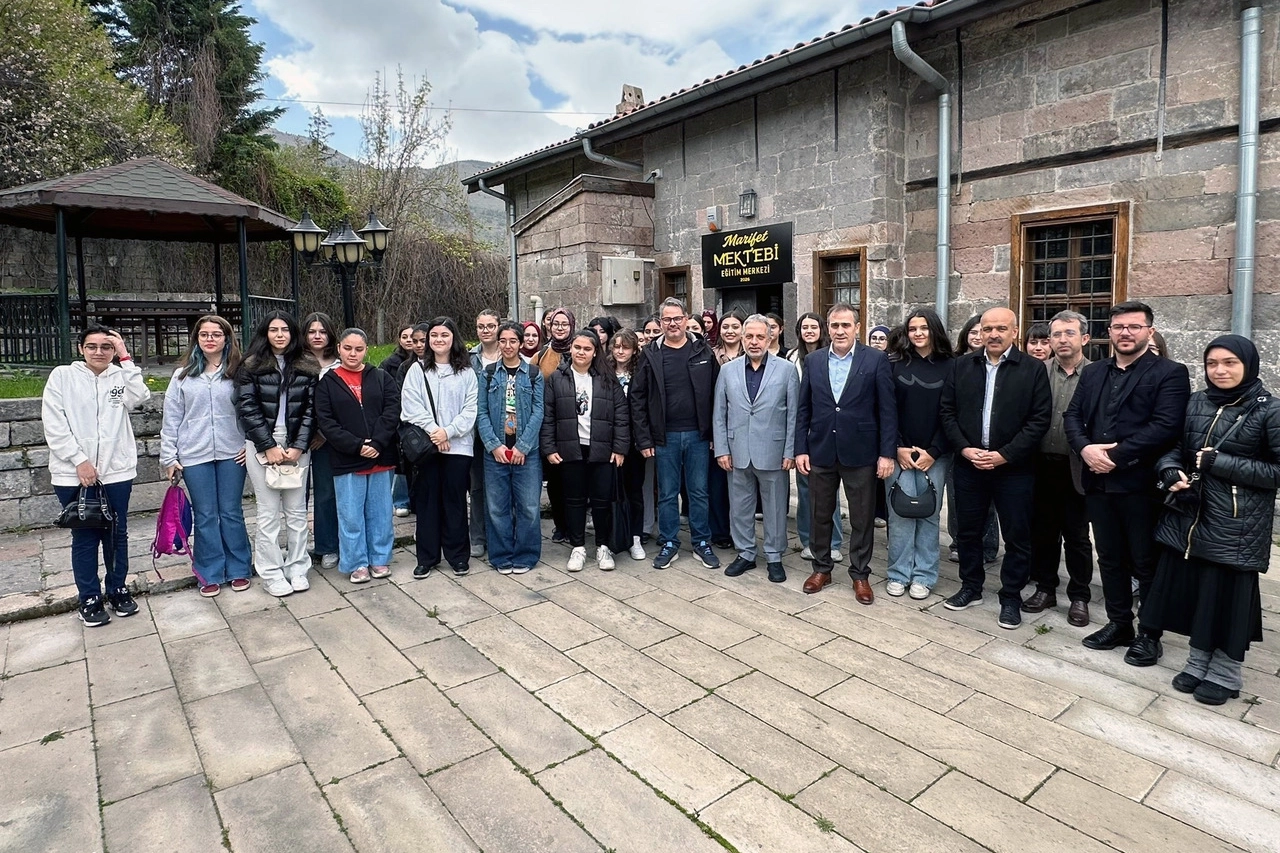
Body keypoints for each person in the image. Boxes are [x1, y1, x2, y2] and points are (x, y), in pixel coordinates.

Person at [1143, 336, 1278, 705]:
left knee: (1228, 597)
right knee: (1201, 593)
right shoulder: (1197, 401)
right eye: (1212, 363)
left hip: (1236, 522)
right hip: (1192, 515)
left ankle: (1226, 671)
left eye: (1230, 363)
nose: (1220, 370)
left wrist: (1221, 463)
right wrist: (1170, 470)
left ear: (1248, 365)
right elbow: (1175, 446)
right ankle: (1197, 660)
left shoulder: (1270, 410)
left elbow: (1276, 471)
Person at [1064, 301, 1190, 661]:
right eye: (1119, 326)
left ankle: (1149, 633)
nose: (1125, 333)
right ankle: (1119, 623)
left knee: (1145, 561)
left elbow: (1165, 426)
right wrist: (1086, 449)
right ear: (1109, 332)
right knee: (1109, 557)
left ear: (1149, 331)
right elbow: (1072, 415)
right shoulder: (1094, 372)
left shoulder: (1170, 372)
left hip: (1140, 485)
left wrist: (1114, 457)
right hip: (1097, 483)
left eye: (1134, 326)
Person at [939, 306, 1051, 629]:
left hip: (1013, 468)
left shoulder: (1032, 369)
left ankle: (1011, 597)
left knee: (1016, 535)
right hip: (970, 464)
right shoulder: (962, 366)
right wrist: (964, 448)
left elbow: (1038, 420)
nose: (993, 334)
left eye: (1001, 328)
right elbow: (947, 412)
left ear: (1014, 332)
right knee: (968, 531)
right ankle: (971, 586)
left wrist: (1004, 455)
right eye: (987, 329)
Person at [43, 324, 149, 626]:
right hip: (73, 473)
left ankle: (117, 589)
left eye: (107, 347)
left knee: (116, 534)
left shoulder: (119, 376)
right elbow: (54, 423)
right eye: (92, 346)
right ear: (81, 348)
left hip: (116, 471)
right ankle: (89, 598)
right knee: (85, 535)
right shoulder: (62, 377)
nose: (99, 352)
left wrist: (125, 358)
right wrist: (79, 460)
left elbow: (140, 397)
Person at [795, 303, 895, 602]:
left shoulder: (875, 359)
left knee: (862, 517)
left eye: (845, 325)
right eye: (835, 325)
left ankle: (860, 574)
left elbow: (887, 410)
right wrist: (801, 449)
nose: (839, 331)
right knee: (819, 513)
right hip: (821, 450)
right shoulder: (814, 361)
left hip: (861, 452)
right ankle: (821, 568)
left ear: (857, 328)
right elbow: (803, 409)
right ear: (828, 328)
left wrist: (886, 453)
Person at [159, 315, 251, 598]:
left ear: (227, 338)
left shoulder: (239, 372)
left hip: (232, 453)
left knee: (231, 512)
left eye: (216, 334)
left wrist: (250, 443)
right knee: (206, 514)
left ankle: (239, 568)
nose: (210, 339)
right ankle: (209, 571)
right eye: (204, 334)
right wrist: (169, 457)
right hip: (194, 454)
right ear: (196, 339)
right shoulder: (183, 375)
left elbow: (253, 410)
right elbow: (171, 418)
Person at [631, 297, 721, 570]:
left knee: (699, 492)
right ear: (660, 323)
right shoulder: (650, 354)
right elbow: (637, 397)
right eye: (667, 319)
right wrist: (644, 438)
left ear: (686, 319)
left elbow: (718, 394)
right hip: (664, 437)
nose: (672, 323)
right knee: (668, 493)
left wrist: (716, 434)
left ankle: (701, 541)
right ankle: (669, 542)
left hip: (698, 435)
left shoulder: (703, 351)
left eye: (677, 318)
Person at [235, 311, 320, 597]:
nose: (280, 335)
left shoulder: (307, 365)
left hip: (297, 444)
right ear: (265, 333)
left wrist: (299, 446)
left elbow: (311, 409)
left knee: (297, 512)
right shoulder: (251, 365)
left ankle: (297, 567)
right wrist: (267, 445)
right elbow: (247, 407)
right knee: (268, 512)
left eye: (285, 329)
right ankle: (271, 572)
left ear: (293, 333)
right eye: (274, 330)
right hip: (262, 444)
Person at [1022, 311, 1095, 626]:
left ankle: (1079, 596)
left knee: (1077, 535)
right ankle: (1045, 588)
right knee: (1043, 531)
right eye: (1057, 334)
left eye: (1069, 333)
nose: (1062, 340)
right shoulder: (1037, 372)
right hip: (1040, 463)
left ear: (1085, 338)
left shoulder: (1097, 374)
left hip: (1077, 466)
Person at [714, 314, 798, 583]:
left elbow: (793, 415)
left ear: (770, 338)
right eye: (749, 336)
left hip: (773, 451)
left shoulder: (786, 370)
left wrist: (790, 451)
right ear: (742, 338)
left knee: (775, 508)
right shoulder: (727, 371)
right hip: (737, 451)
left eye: (760, 336)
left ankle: (774, 556)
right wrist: (722, 449)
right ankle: (746, 553)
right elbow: (719, 413)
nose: (754, 341)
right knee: (740, 507)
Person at [314, 328, 400, 583]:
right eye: (348, 348)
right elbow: (326, 422)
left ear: (366, 350)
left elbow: (392, 410)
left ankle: (380, 558)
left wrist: (377, 442)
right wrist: (356, 445)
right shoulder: (328, 383)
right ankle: (356, 562)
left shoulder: (381, 377)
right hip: (347, 458)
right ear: (339, 348)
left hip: (380, 456)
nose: (353, 353)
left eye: (359, 349)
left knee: (381, 513)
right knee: (350, 515)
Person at [543, 331, 629, 571]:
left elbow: (621, 415)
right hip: (570, 448)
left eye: (587, 349)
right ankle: (578, 546)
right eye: (577, 347)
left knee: (602, 500)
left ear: (595, 352)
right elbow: (548, 415)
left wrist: (620, 447)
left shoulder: (607, 378)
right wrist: (549, 448)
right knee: (574, 500)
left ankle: (603, 546)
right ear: (571, 349)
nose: (581, 352)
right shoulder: (557, 378)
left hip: (602, 448)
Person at [884, 308, 952, 600]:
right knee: (899, 512)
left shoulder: (952, 365)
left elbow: (952, 413)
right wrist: (897, 447)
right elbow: (887, 409)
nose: (918, 333)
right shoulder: (894, 364)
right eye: (913, 329)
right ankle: (898, 573)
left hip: (935, 454)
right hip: (899, 451)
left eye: (924, 328)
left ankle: (924, 575)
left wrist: (934, 451)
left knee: (928, 514)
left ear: (934, 330)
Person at [402, 317, 478, 577]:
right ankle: (427, 557)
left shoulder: (466, 372)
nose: (439, 340)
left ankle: (458, 556)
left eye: (444, 335)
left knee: (455, 501)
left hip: (459, 448)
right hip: (427, 448)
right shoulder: (417, 370)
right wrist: (436, 432)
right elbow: (410, 406)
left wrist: (449, 431)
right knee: (427, 501)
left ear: (453, 338)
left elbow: (470, 410)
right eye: (434, 335)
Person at [476, 322, 544, 575]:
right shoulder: (489, 374)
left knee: (528, 506)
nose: (507, 346)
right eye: (503, 341)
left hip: (527, 452)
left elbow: (539, 411)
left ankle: (526, 555)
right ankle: (501, 555)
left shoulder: (533, 374)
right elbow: (481, 412)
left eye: (513, 341)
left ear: (521, 343)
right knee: (497, 507)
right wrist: (494, 446)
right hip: (496, 452)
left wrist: (523, 447)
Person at [945, 313, 999, 566]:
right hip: (960, 445)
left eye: (982, 332)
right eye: (973, 332)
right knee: (957, 499)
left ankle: (988, 545)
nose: (977, 336)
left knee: (989, 503)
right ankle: (959, 542)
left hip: (992, 447)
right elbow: (949, 408)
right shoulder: (956, 364)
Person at [789, 312, 843, 562]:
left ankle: (833, 542)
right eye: (804, 327)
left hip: (829, 431)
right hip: (804, 430)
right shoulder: (791, 358)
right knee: (805, 490)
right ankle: (807, 540)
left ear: (822, 329)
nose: (809, 331)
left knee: (829, 491)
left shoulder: (832, 356)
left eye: (814, 326)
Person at [302, 312, 340, 571]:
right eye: (312, 331)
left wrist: (324, 433)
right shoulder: (296, 362)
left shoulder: (339, 364)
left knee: (327, 494)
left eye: (322, 331)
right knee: (296, 495)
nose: (317, 336)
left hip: (329, 440)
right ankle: (298, 547)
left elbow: (343, 406)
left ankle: (327, 546)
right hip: (298, 439)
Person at [536, 308, 575, 543]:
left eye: (564, 324)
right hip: (550, 425)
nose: (560, 328)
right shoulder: (541, 355)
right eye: (555, 324)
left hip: (576, 426)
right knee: (555, 480)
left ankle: (574, 525)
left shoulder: (579, 350)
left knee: (574, 479)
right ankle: (560, 525)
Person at [610, 329, 648, 560]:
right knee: (610, 491)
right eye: (616, 347)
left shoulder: (641, 372)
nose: (620, 351)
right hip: (609, 441)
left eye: (625, 347)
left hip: (634, 442)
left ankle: (635, 537)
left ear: (634, 350)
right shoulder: (604, 372)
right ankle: (612, 537)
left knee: (634, 491)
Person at [468, 309, 502, 560]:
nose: (486, 330)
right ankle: (478, 537)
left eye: (491, 326)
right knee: (477, 486)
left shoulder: (509, 353)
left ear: (499, 327)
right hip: (476, 432)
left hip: (504, 430)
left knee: (502, 487)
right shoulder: (469, 359)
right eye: (481, 326)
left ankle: (500, 534)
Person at [391, 324, 427, 516]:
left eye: (423, 341)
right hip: (413, 429)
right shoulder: (405, 367)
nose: (419, 345)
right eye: (415, 341)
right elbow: (400, 398)